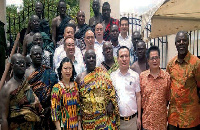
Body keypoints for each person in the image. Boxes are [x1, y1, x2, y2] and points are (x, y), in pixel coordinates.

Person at [76, 49, 120, 129]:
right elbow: (77, 100)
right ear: (84, 60)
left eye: (93, 57)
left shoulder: (103, 74)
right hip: (88, 121)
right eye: (89, 57)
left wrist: (111, 103)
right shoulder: (80, 78)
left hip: (105, 119)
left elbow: (112, 92)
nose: (91, 59)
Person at [166, 31, 200, 130]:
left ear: (188, 42)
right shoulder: (171, 64)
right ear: (175, 44)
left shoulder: (196, 63)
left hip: (190, 118)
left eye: (184, 40)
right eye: (178, 41)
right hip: (174, 117)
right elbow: (168, 87)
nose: (181, 43)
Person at [0, 53, 42, 130]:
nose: (22, 64)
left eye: (23, 63)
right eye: (18, 63)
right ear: (12, 66)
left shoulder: (26, 82)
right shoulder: (7, 89)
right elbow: (3, 118)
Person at [25, 45, 58, 130]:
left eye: (40, 54)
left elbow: (55, 92)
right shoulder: (26, 73)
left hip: (48, 112)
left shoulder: (49, 72)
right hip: (32, 112)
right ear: (31, 56)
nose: (38, 56)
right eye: (36, 54)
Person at [110, 46, 141, 130]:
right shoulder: (112, 76)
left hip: (132, 121)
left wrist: (139, 118)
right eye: (121, 56)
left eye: (126, 56)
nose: (124, 59)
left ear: (129, 58)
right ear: (117, 59)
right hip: (118, 122)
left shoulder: (135, 76)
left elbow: (138, 97)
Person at [140, 46, 170, 130]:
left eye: (156, 58)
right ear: (148, 61)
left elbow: (167, 98)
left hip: (161, 123)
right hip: (147, 123)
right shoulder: (142, 76)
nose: (154, 60)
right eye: (152, 58)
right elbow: (141, 97)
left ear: (160, 59)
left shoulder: (166, 77)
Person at [51, 57, 81, 130]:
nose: (68, 71)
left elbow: (78, 108)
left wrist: (79, 127)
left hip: (76, 126)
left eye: (70, 68)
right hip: (63, 126)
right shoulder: (57, 88)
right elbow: (54, 112)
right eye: (65, 68)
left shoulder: (76, 86)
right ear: (61, 70)